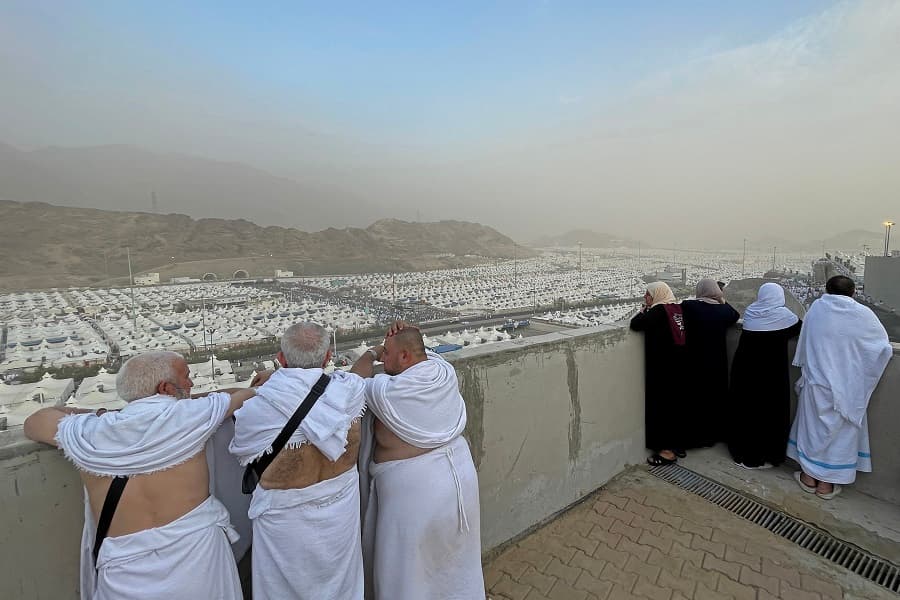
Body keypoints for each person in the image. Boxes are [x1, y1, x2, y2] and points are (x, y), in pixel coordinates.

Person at [23, 351, 257, 600]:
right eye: (186, 378)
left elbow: (35, 421)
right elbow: (243, 396)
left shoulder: (87, 433)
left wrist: (102, 413)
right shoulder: (191, 416)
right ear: (166, 388)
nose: (191, 384)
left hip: (124, 570)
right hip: (198, 559)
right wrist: (185, 399)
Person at [229, 322, 370, 600]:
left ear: (281, 359)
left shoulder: (258, 408)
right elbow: (359, 374)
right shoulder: (349, 392)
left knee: (284, 590)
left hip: (285, 523)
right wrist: (373, 352)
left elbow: (242, 450)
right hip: (341, 511)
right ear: (328, 356)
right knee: (342, 585)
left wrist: (273, 382)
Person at [357, 321, 484, 600]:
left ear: (404, 357)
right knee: (453, 564)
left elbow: (352, 384)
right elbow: (426, 353)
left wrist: (371, 353)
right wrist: (406, 336)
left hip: (415, 499)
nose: (383, 358)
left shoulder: (388, 392)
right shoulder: (443, 372)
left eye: (388, 353)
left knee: (406, 576)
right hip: (459, 481)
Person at [788, 276, 892, 499]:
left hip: (816, 383)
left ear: (826, 290)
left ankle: (808, 478)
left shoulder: (816, 308)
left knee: (812, 431)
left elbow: (807, 338)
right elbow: (881, 347)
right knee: (840, 435)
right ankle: (825, 486)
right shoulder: (863, 315)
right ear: (853, 292)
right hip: (847, 387)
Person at [727, 283, 802, 469]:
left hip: (745, 371)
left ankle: (742, 454)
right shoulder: (785, 318)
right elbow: (800, 327)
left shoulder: (752, 312)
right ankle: (762, 457)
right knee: (768, 415)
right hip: (770, 376)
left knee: (746, 412)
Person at [629, 282, 688, 465]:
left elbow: (635, 324)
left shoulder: (658, 311)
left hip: (662, 368)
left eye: (648, 294)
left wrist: (643, 309)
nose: (645, 297)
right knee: (675, 407)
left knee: (661, 409)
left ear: (657, 295)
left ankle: (667, 452)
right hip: (677, 366)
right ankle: (678, 445)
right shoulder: (676, 309)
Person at [680, 279, 740, 448]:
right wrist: (721, 299)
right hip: (716, 362)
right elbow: (735, 315)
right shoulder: (724, 311)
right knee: (714, 399)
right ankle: (711, 437)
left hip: (694, 360)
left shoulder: (690, 306)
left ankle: (693, 437)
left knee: (695, 399)